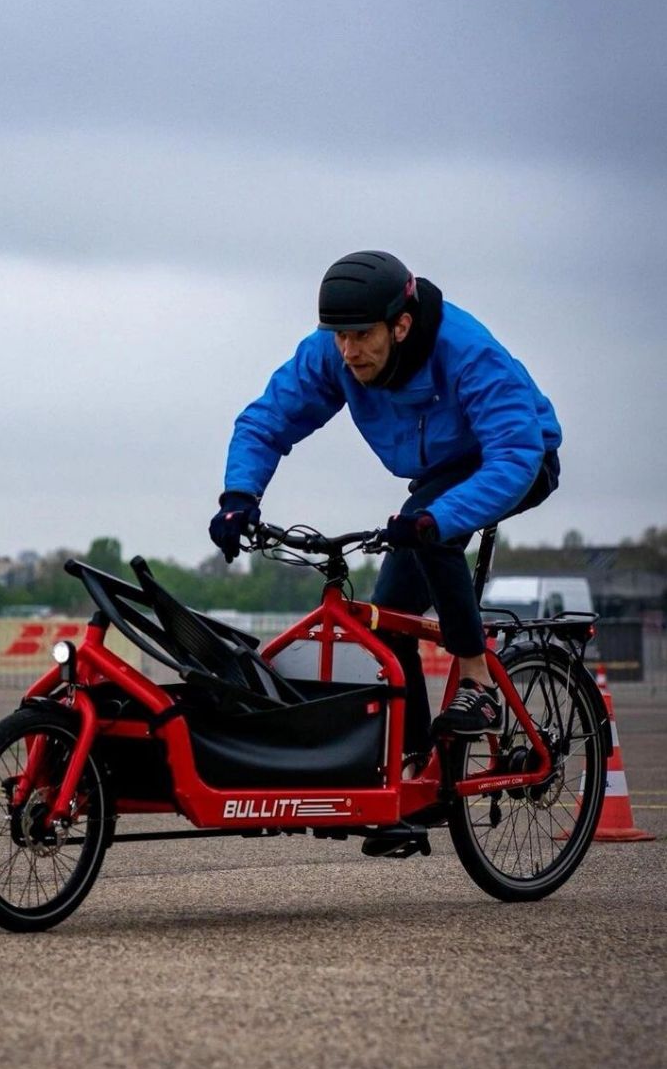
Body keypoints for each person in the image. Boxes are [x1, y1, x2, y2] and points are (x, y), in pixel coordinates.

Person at [208, 249, 561, 775]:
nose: (348, 351)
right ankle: (414, 769)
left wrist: (438, 519)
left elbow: (515, 451)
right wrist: (240, 496)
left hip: (517, 459)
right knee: (388, 618)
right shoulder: (333, 353)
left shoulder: (466, 351)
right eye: (339, 336)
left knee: (431, 526)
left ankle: (477, 682)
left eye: (362, 336)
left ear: (400, 325)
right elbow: (267, 421)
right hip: (438, 475)